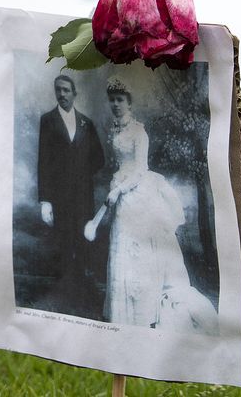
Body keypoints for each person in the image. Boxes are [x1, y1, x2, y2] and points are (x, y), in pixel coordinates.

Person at [103, 75, 215, 331]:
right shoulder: (114, 128)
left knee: (139, 252)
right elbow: (120, 163)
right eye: (112, 100)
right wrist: (116, 185)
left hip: (138, 194)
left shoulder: (138, 132)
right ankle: (123, 314)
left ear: (129, 103)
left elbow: (141, 168)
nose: (116, 105)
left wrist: (119, 189)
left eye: (120, 100)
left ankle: (142, 311)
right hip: (120, 194)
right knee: (121, 248)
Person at [34, 73, 105, 314]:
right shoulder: (48, 121)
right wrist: (45, 200)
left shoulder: (86, 123)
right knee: (64, 241)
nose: (62, 94)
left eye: (66, 90)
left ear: (75, 93)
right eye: (58, 90)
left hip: (83, 196)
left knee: (83, 240)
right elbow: (43, 162)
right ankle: (64, 295)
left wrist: (81, 174)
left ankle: (82, 293)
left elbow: (99, 159)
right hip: (59, 197)